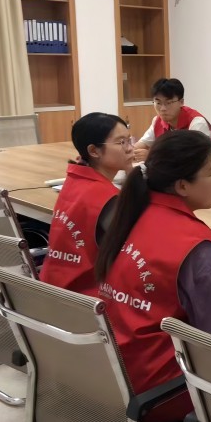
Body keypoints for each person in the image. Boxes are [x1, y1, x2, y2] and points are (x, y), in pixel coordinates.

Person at [96, 130, 211, 422]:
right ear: (182, 185)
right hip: (160, 395)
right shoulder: (197, 248)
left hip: (109, 372)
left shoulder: (132, 213)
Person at [39, 113, 134, 297]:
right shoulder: (106, 198)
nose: (130, 148)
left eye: (130, 140)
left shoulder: (75, 178)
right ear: (94, 151)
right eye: (121, 142)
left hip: (52, 289)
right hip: (85, 299)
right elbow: (139, 247)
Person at [133, 77, 211, 166]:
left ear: (181, 102)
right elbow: (143, 144)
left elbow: (192, 159)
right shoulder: (157, 121)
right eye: (158, 103)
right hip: (175, 170)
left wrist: (152, 157)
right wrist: (130, 151)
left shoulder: (197, 123)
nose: (163, 108)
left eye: (168, 103)